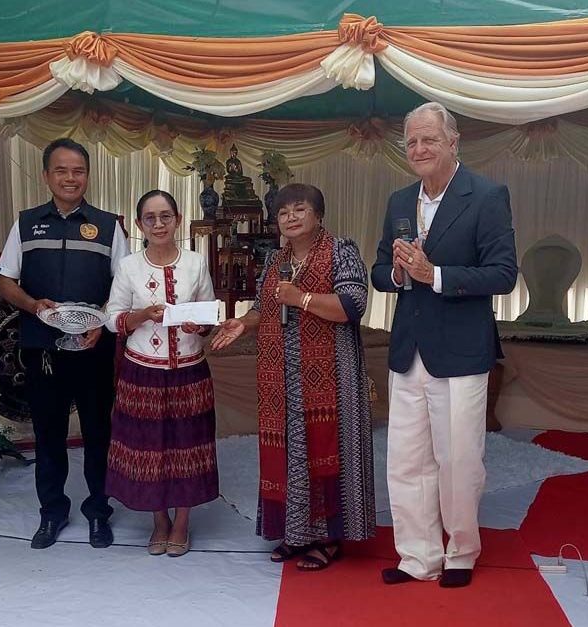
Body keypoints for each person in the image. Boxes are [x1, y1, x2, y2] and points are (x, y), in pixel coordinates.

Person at [372, 102, 518, 588]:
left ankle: (461, 552)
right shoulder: (398, 200)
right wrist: (398, 273)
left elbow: (504, 274)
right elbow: (380, 271)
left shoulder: (487, 195)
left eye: (429, 139)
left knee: (458, 459)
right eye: (411, 141)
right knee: (406, 459)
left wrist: (433, 275)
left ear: (453, 142)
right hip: (408, 349)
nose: (419, 149)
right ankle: (417, 556)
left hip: (460, 351)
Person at [212, 183, 375, 571]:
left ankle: (329, 538)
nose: (290, 218)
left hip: (331, 376)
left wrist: (301, 298)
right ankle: (296, 533)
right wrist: (244, 323)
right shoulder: (276, 259)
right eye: (283, 213)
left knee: (326, 451)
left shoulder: (341, 250)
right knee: (289, 453)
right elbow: (263, 308)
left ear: (319, 215)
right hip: (281, 376)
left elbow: (352, 305)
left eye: (300, 210)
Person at [0, 138, 128, 550]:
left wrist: (102, 321)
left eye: (78, 171)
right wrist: (33, 305)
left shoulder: (109, 226)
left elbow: (123, 287)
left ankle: (98, 511)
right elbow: (5, 281)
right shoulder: (26, 223)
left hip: (93, 347)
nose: (71, 178)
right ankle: (52, 512)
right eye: (61, 170)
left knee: (98, 432)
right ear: (46, 176)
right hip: (43, 348)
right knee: (48, 433)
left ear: (88, 176)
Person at [104, 190, 219, 558]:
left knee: (188, 448)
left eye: (165, 216)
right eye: (150, 218)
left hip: (189, 371)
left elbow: (209, 316)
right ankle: (159, 520)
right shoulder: (129, 267)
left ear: (177, 220)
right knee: (148, 449)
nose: (158, 224)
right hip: (142, 374)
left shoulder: (196, 263)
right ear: (140, 225)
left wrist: (198, 325)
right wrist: (141, 315)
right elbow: (112, 319)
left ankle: (182, 522)